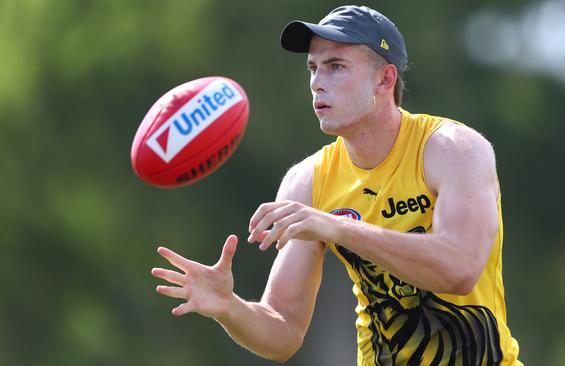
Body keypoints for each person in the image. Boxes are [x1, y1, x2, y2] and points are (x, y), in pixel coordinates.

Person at [152, 5, 523, 365]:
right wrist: (229, 307)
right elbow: (283, 333)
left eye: (336, 67)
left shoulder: (453, 149)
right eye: (313, 68)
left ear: (385, 79)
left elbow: (459, 270)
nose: (317, 83)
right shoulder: (308, 182)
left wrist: (340, 227)